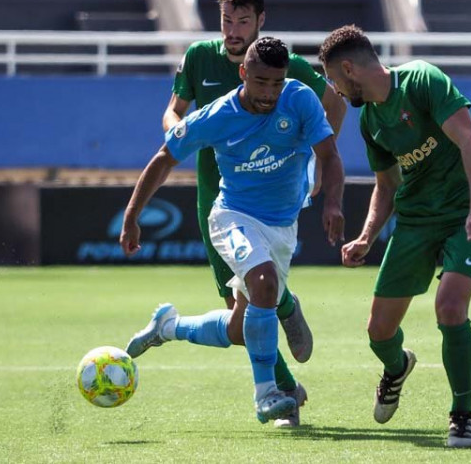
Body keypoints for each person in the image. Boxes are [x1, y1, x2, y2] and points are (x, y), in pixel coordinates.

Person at [121, 37, 345, 424]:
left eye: (276, 83)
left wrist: (333, 203)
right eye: (260, 82)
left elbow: (330, 154)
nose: (269, 93)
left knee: (242, 328)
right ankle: (267, 394)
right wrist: (132, 214)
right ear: (243, 73)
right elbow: (163, 159)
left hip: (282, 226)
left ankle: (168, 326)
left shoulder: (301, 99)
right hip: (232, 216)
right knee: (263, 281)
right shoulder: (216, 116)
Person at [318, 25, 471, 448]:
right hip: (415, 221)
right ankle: (398, 366)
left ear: (349, 68)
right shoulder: (370, 120)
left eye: (333, 78)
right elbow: (386, 185)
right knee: (379, 332)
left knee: (450, 306)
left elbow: (469, 140)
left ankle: (462, 416)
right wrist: (367, 236)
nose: (334, 88)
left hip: (465, 214)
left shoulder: (423, 80)